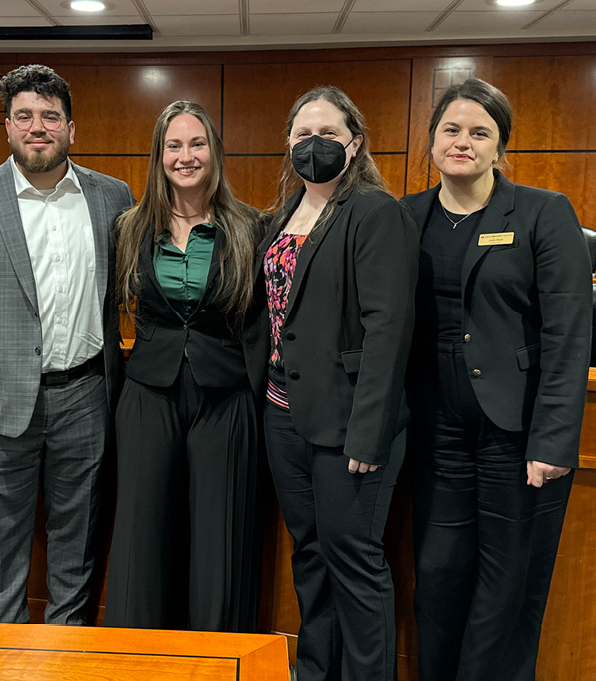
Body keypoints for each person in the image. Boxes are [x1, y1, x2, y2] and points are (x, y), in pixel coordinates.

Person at [401, 78, 592, 681]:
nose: (463, 142)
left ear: (500, 147)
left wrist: (553, 439)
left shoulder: (543, 211)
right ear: (431, 141)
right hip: (434, 429)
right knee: (437, 570)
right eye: (451, 130)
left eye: (479, 132)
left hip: (514, 431)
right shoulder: (406, 216)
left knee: (506, 578)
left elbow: (569, 333)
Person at [0, 64, 133, 625]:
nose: (37, 126)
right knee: (2, 547)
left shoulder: (110, 196)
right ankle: (6, 653)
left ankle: (67, 651)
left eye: (50, 116)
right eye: (24, 116)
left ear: (72, 128)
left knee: (79, 541)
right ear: (8, 126)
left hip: (87, 395)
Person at [255, 86, 418, 680]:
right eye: (302, 135)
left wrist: (368, 434)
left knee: (354, 559)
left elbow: (389, 329)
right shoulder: (280, 216)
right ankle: (317, 671)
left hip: (350, 422)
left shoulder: (376, 212)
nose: (313, 145)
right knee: (312, 555)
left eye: (327, 134)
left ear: (354, 144)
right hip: (284, 413)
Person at [104, 101, 266, 632]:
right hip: (150, 391)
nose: (186, 156)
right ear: (159, 155)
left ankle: (217, 659)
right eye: (174, 145)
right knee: (142, 535)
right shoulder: (129, 228)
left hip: (227, 395)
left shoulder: (249, 228)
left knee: (221, 537)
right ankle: (139, 660)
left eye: (197, 144)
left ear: (214, 153)